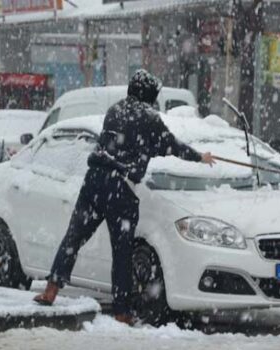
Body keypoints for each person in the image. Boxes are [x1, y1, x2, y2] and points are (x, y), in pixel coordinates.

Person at [33, 70, 215, 325]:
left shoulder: (114, 110)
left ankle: (51, 289)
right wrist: (199, 157)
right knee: (122, 252)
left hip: (94, 181)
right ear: (149, 95)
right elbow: (171, 145)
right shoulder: (149, 119)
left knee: (74, 237)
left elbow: (129, 143)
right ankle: (121, 311)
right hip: (121, 189)